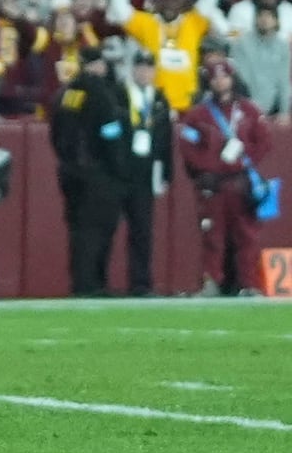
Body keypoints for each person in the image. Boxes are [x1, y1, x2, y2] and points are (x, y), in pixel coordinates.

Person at [179, 56, 274, 296]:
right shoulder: (197, 115)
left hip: (240, 184)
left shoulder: (249, 110)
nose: (220, 82)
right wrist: (211, 167)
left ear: (232, 78)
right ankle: (211, 282)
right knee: (213, 236)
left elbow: (263, 141)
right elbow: (188, 148)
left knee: (247, 236)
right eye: (215, 78)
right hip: (213, 185)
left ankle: (248, 284)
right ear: (208, 82)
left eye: (224, 77)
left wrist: (243, 161)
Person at [49, 47, 124, 295]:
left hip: (70, 172)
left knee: (78, 229)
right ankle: (93, 283)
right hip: (98, 173)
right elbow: (110, 132)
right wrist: (117, 167)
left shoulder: (68, 92)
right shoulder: (100, 92)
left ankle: (81, 281)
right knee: (99, 229)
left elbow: (56, 133)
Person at [113, 50, 172, 296]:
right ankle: (97, 281)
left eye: (149, 67)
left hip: (146, 171)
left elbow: (166, 138)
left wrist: (166, 172)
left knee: (143, 230)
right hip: (120, 169)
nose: (144, 72)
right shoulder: (119, 94)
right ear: (132, 69)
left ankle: (141, 283)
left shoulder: (158, 98)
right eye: (140, 67)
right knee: (107, 228)